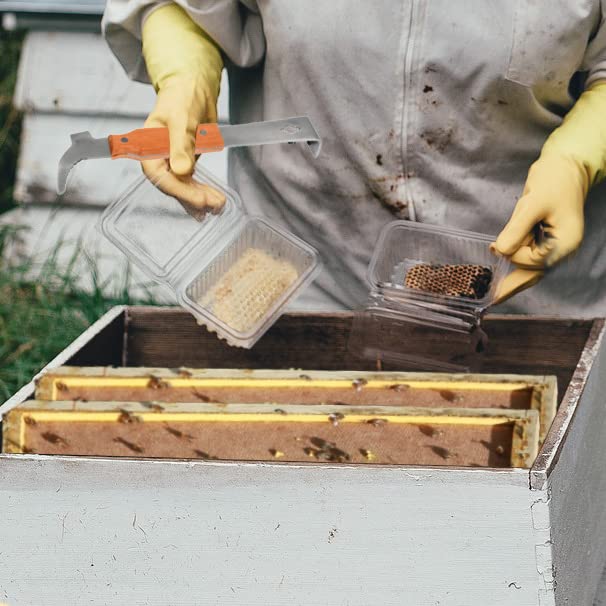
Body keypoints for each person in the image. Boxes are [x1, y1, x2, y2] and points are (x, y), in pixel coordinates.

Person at [102, 2, 606, 315]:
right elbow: (176, 6)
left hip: (530, 296)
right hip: (300, 282)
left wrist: (577, 159)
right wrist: (186, 73)